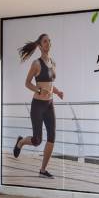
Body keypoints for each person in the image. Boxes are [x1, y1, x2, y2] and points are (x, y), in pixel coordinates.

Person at [13, 33, 64, 177]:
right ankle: (21, 142)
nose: (48, 43)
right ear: (40, 46)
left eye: (49, 41)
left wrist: (58, 92)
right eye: (45, 41)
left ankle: (43, 170)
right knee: (37, 140)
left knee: (52, 136)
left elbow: (50, 84)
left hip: (49, 104)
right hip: (38, 106)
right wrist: (39, 90)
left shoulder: (53, 63)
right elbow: (27, 83)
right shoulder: (36, 63)